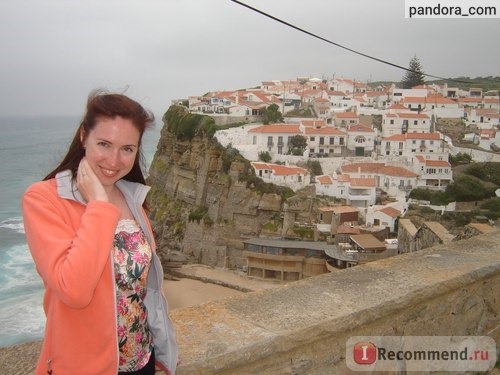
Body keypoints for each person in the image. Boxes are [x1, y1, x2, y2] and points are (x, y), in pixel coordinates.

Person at [22, 91, 178, 375]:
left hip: (141, 360)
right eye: (104, 144)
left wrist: (162, 349)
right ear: (84, 136)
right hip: (85, 367)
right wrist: (98, 206)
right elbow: (74, 291)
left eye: (127, 149)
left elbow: (143, 289)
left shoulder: (132, 197)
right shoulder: (43, 200)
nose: (114, 160)